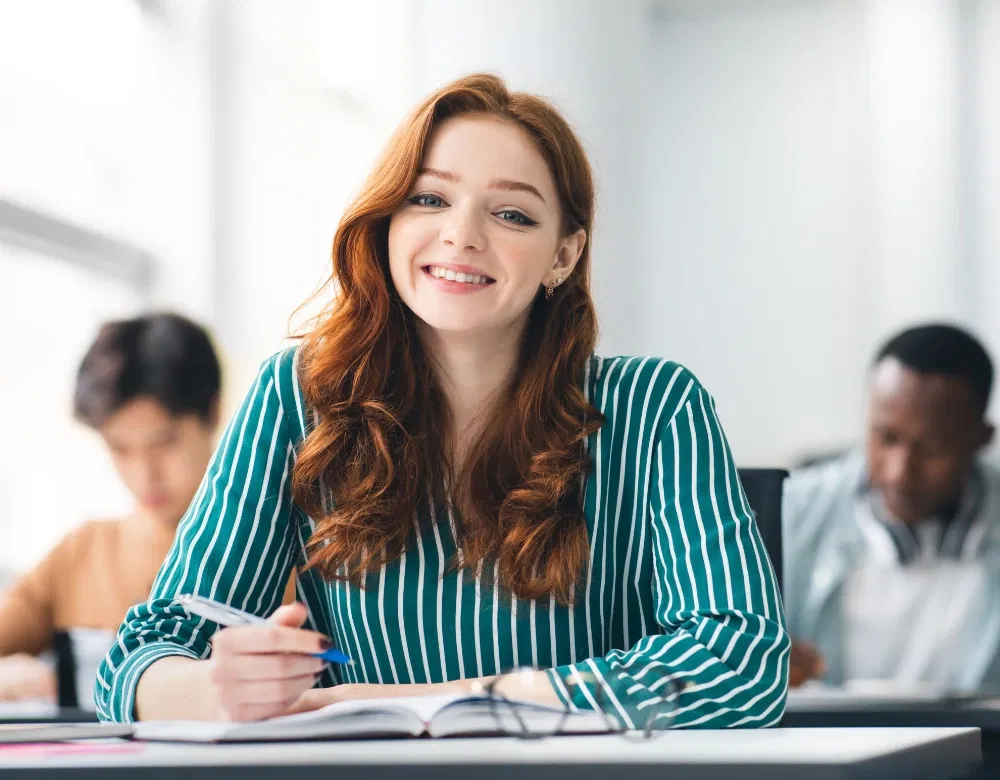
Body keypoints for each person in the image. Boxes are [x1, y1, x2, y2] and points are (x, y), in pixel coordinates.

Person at [96, 73, 788, 727]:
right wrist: (218, 690)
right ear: (388, 219)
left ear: (564, 255)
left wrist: (474, 699)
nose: (461, 234)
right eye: (429, 199)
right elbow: (134, 662)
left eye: (512, 213)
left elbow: (743, 663)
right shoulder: (296, 397)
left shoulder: (656, 406)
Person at [0, 313, 223, 703]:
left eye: (164, 443)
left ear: (214, 415)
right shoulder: (81, 552)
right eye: (120, 449)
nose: (144, 475)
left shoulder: (287, 550)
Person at [783, 324, 1000, 692]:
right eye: (886, 438)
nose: (899, 472)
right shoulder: (789, 515)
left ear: (980, 440)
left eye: (931, 448)